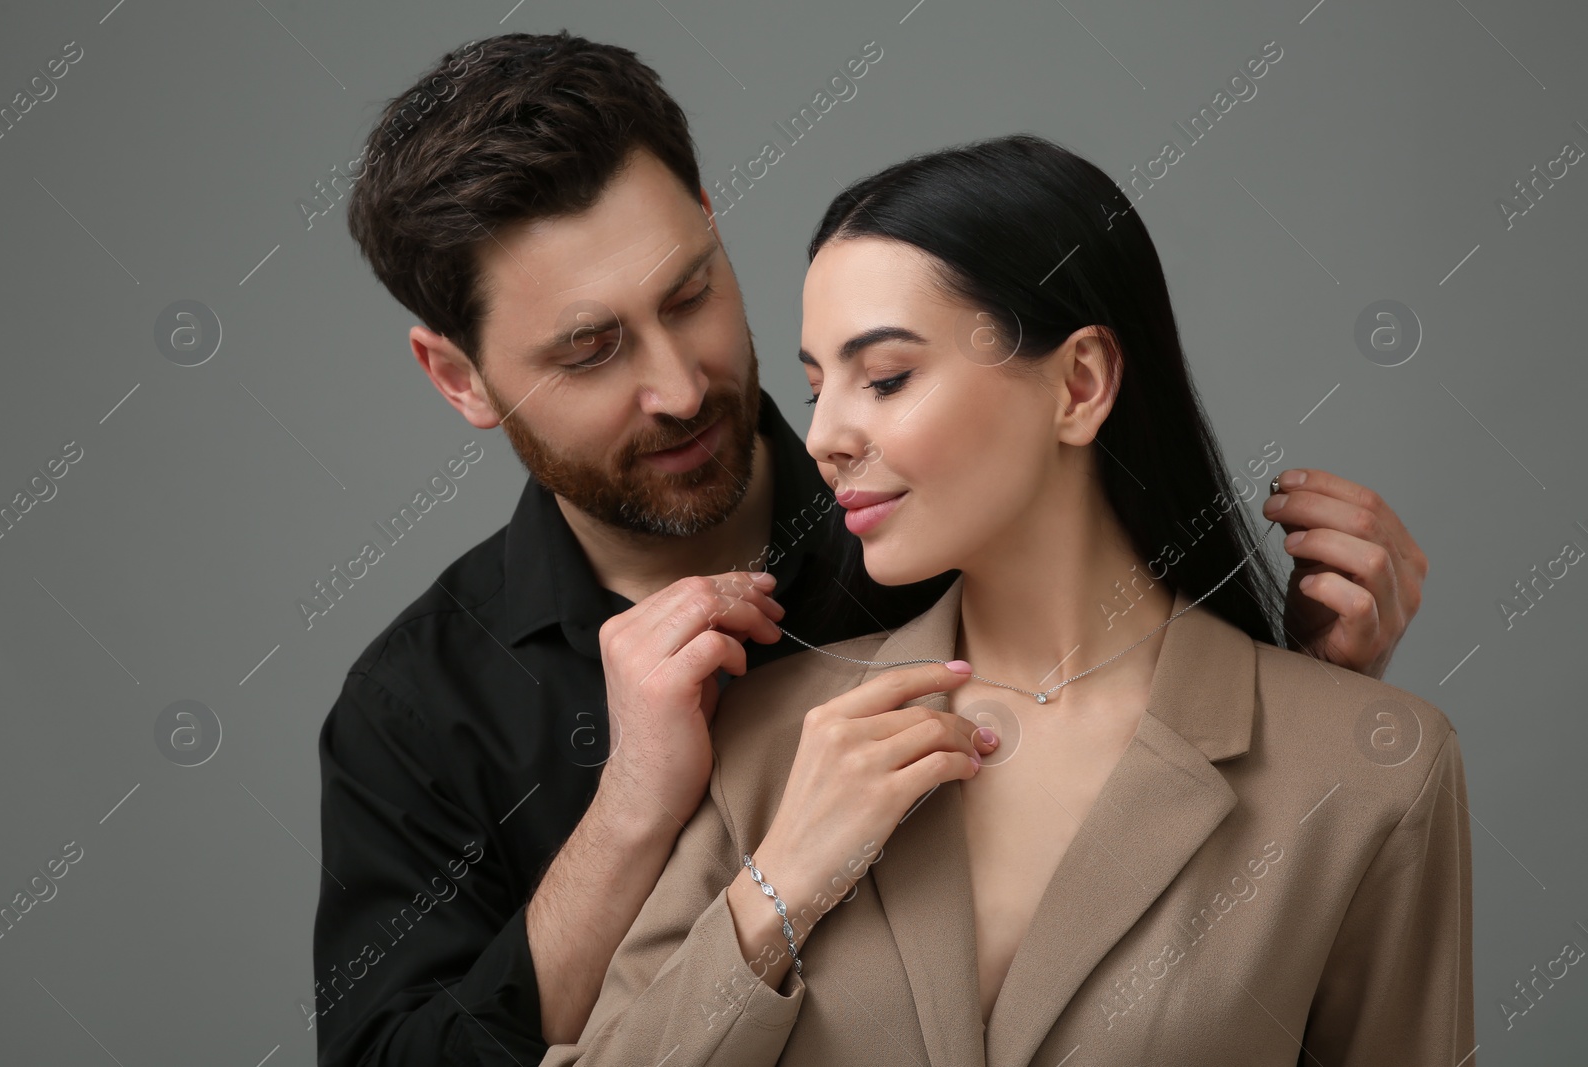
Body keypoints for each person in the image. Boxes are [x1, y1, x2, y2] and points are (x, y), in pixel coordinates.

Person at [312, 32, 1434, 1066]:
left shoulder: (962, 509)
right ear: (458, 375)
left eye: (691, 290)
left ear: (711, 217)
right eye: (590, 349)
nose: (680, 383)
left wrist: (1310, 710)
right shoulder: (416, 707)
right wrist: (639, 817)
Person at [537, 133, 1473, 1066]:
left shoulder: (1370, 770)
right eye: (816, 387)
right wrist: (774, 891)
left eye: (887, 377)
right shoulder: (770, 741)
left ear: (1079, 384)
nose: (822, 436)